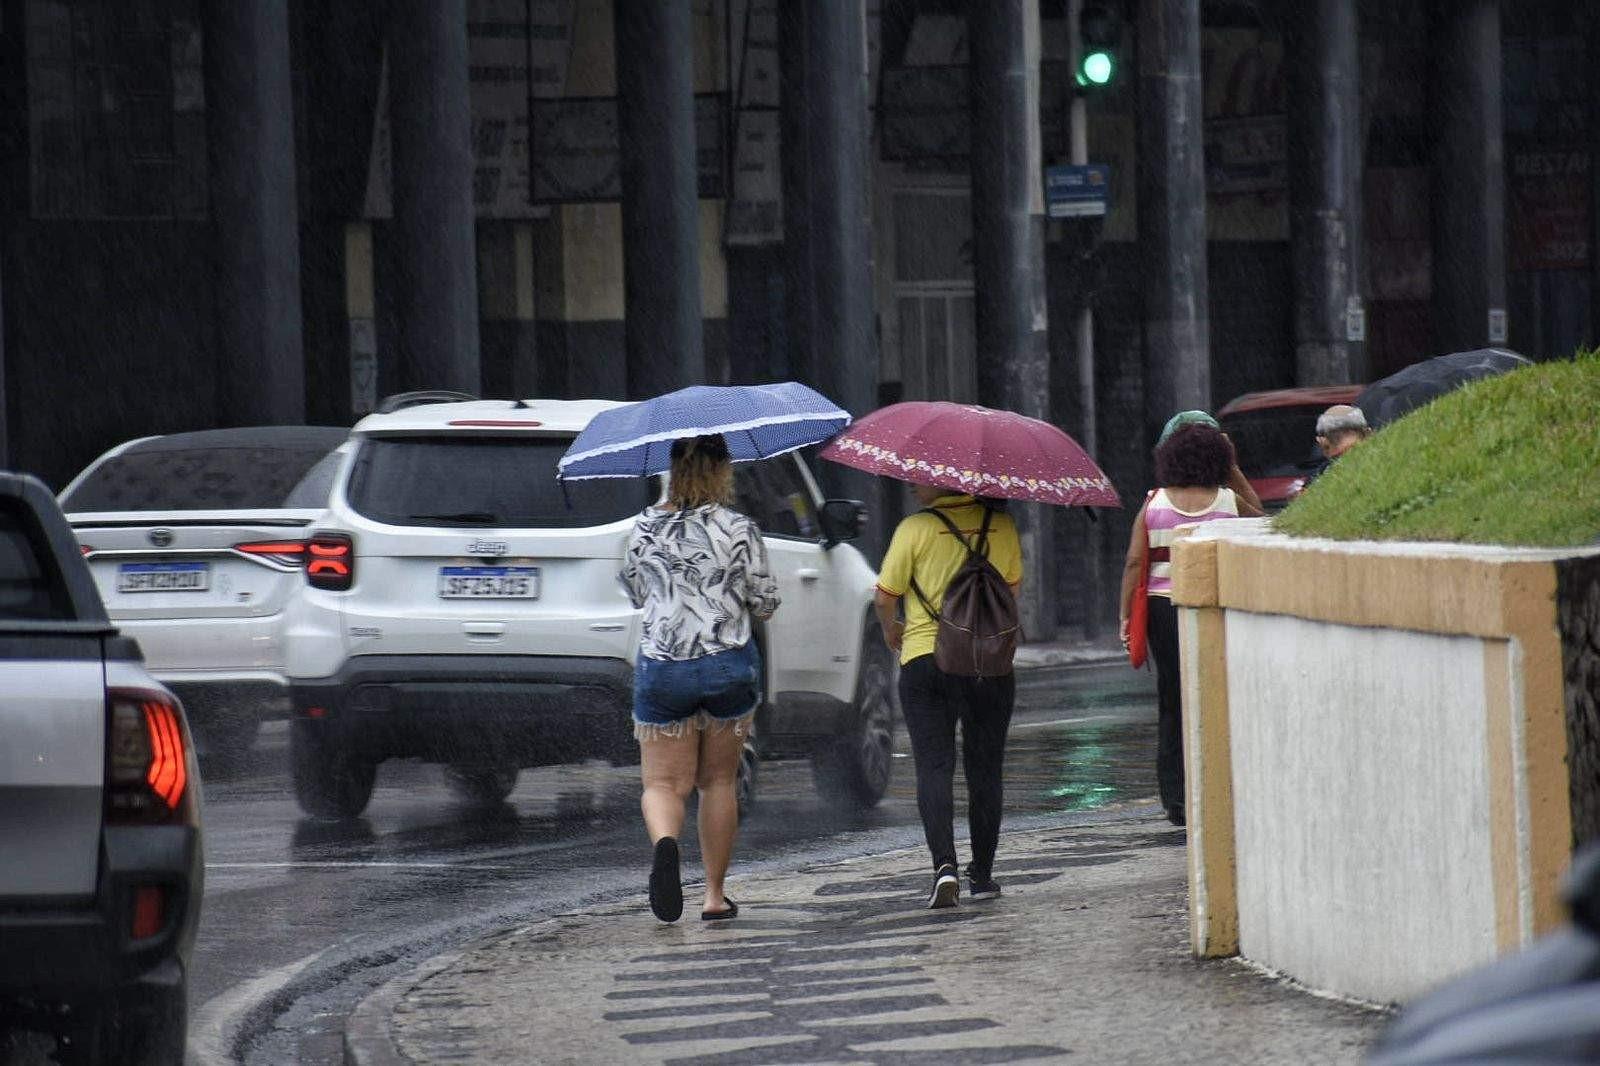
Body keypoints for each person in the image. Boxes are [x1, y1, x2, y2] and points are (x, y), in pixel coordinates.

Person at [619, 434, 779, 923]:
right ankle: (713, 895)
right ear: (721, 471)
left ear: (671, 470)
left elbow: (633, 590)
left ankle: (667, 845)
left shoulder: (644, 528)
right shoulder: (738, 528)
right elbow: (766, 602)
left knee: (664, 784)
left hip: (664, 667)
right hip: (726, 665)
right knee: (717, 782)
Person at [874, 482, 1023, 909]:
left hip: (925, 659)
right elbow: (1010, 594)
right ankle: (983, 874)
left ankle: (944, 867)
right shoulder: (1003, 526)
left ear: (942, 481)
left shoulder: (914, 529)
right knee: (986, 769)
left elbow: (885, 596)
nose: (912, 481)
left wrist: (892, 630)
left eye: (921, 475)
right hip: (988, 664)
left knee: (934, 767)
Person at [1119, 423, 1263, 827]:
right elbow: (1262, 517)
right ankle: (1220, 786)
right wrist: (1233, 468)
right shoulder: (1229, 501)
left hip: (1163, 608)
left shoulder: (1154, 502)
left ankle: (1176, 798)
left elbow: (1134, 561)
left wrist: (1125, 613)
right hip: (1214, 604)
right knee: (1218, 694)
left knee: (1172, 699)